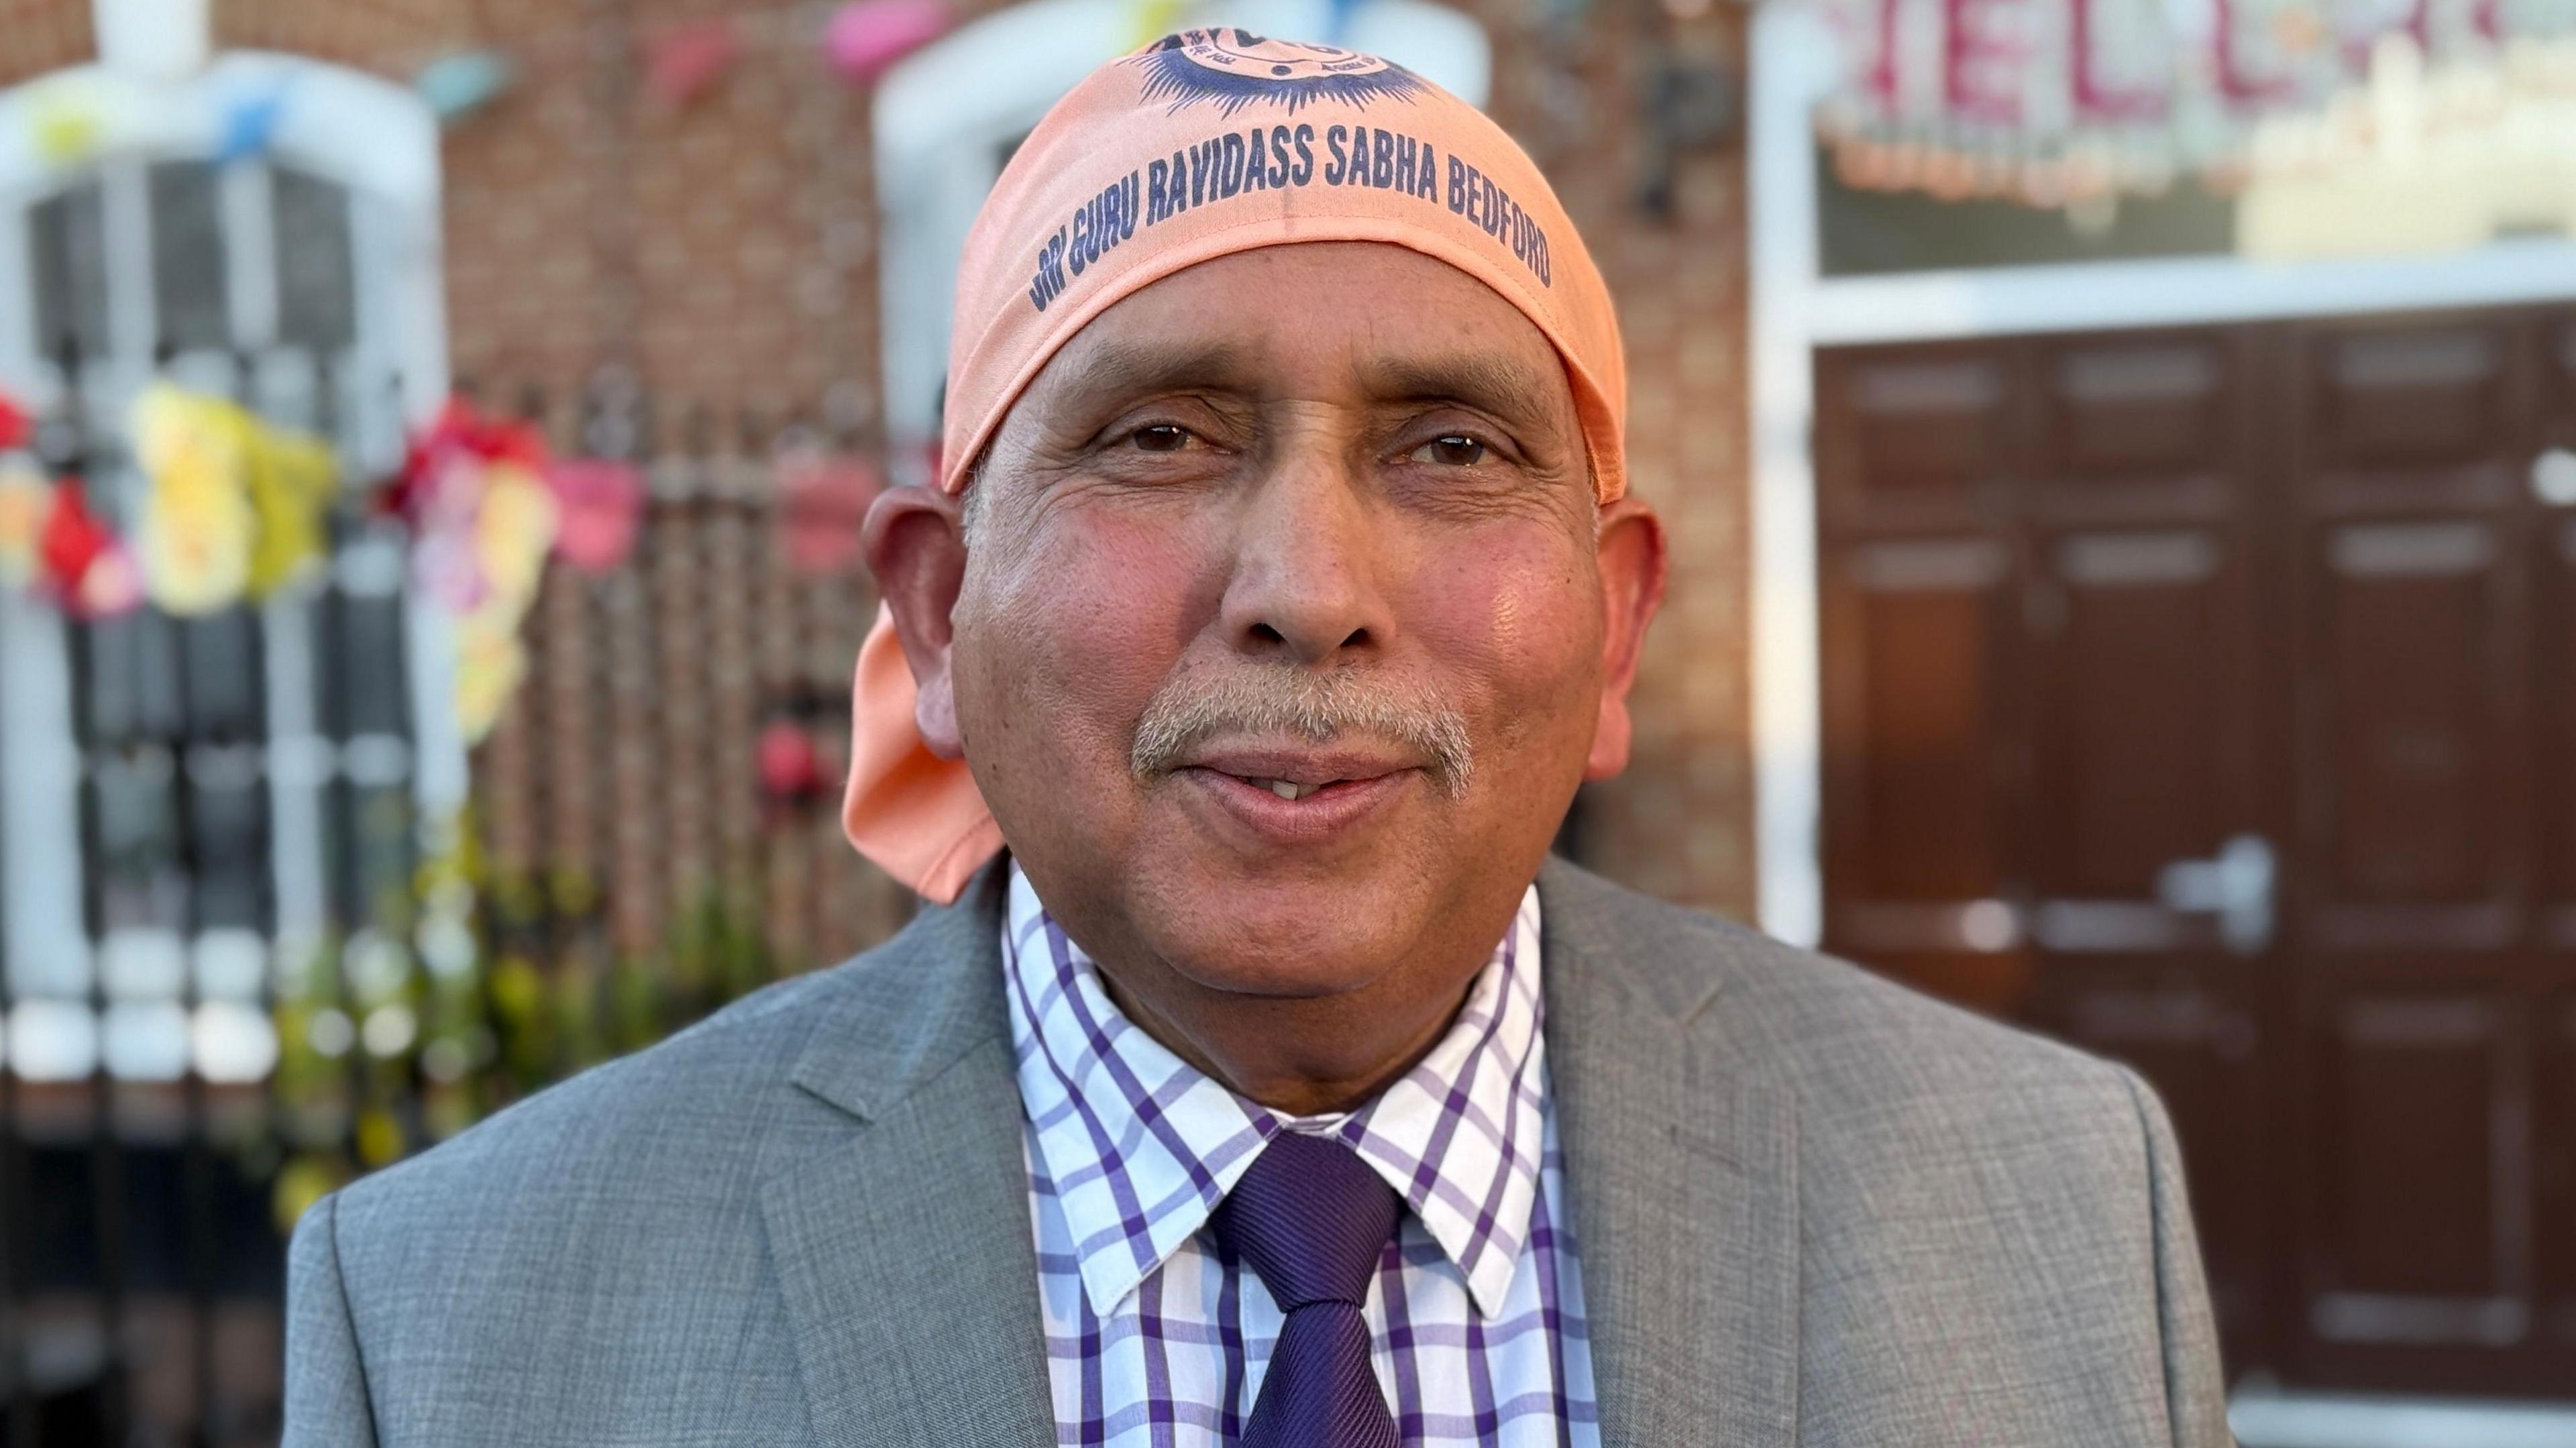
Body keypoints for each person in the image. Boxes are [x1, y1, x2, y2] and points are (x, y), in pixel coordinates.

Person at [285, 30, 2230, 1447]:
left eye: (1453, 449)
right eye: (1163, 436)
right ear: (938, 613)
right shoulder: (465, 1327)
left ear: (1619, 618)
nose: (1310, 583)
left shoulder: (2051, 1215)